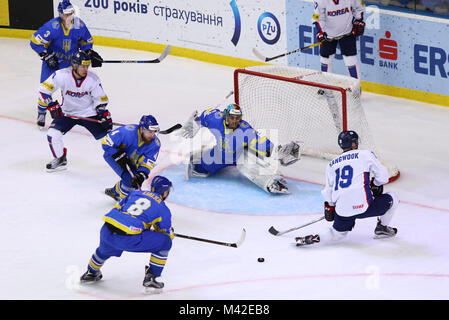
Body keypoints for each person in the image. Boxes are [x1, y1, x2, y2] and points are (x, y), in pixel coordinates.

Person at [295, 130, 399, 246]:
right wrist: (375, 183)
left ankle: (313, 238)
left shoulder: (332, 164)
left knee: (337, 234)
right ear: (354, 144)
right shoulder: (365, 154)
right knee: (393, 197)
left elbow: (328, 190)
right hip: (365, 207)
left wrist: (330, 206)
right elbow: (383, 177)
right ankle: (382, 228)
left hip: (343, 210)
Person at [179, 103, 300, 194]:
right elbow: (202, 116)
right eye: (232, 117)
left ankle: (270, 183)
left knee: (247, 164)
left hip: (238, 155)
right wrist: (194, 123)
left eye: (238, 118)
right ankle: (198, 159)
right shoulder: (214, 118)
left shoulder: (245, 129)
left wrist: (277, 153)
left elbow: (262, 143)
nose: (235, 121)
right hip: (220, 155)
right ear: (225, 116)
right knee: (203, 168)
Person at [80, 176, 174, 293]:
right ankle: (151, 277)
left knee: (104, 250)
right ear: (165, 192)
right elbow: (164, 232)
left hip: (107, 230)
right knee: (165, 242)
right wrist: (170, 233)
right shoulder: (163, 208)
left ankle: (91, 272)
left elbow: (119, 207)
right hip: (127, 238)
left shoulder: (136, 194)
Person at [30, 0, 103, 130]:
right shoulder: (52, 27)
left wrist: (90, 53)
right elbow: (35, 42)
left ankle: (68, 112)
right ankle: (41, 113)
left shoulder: (79, 25)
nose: (69, 16)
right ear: (60, 14)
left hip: (70, 64)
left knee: (70, 90)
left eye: (71, 13)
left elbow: (86, 43)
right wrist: (46, 56)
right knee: (45, 90)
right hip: (53, 63)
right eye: (66, 14)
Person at [39, 50, 112, 172]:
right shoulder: (61, 75)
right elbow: (43, 91)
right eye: (83, 66)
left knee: (110, 138)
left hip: (89, 113)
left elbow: (100, 100)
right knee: (53, 135)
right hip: (67, 113)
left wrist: (103, 113)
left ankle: (122, 159)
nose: (85, 69)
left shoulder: (93, 79)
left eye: (87, 66)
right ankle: (60, 159)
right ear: (75, 66)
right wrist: (50, 104)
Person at [101, 115, 161, 201]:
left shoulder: (155, 144)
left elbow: (148, 162)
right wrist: (118, 155)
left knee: (135, 180)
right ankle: (125, 202)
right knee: (129, 180)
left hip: (132, 160)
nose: (152, 135)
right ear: (141, 129)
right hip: (113, 156)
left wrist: (142, 174)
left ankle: (115, 191)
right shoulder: (126, 132)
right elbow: (105, 142)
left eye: (154, 132)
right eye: (149, 132)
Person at [312, 0, 366, 78]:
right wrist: (320, 33)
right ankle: (326, 88)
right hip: (328, 34)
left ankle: (356, 88)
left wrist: (358, 20)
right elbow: (318, 18)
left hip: (347, 32)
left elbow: (359, 8)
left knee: (350, 60)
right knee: (325, 60)